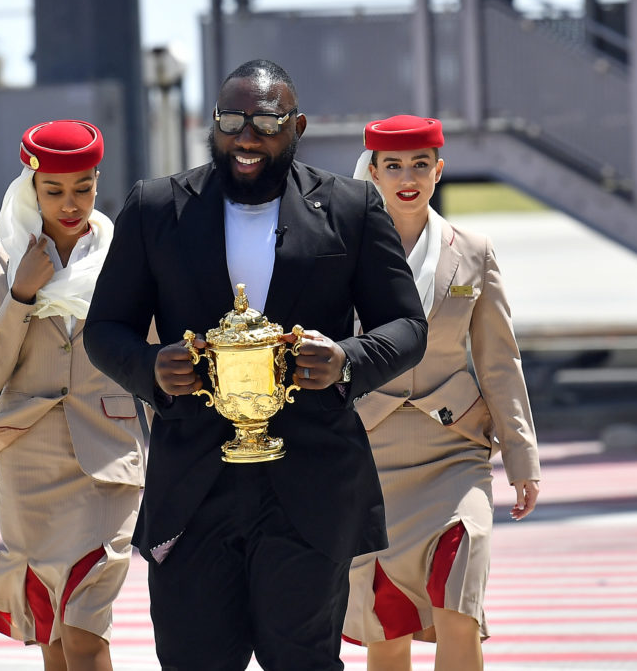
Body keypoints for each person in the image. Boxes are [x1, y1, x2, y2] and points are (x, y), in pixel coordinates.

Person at [83, 59, 428, 670]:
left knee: (301, 660)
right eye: (232, 120)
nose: (247, 137)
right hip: (192, 486)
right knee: (195, 660)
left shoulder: (351, 207)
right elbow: (106, 329)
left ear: (297, 125)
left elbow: (405, 326)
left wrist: (346, 360)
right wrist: (150, 369)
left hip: (311, 484)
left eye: (267, 121)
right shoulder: (156, 208)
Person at [341, 115, 541, 671]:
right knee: (387, 626)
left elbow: (500, 359)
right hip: (369, 458)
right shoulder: (340, 254)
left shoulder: (474, 250)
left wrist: (523, 457)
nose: (409, 177)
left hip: (457, 452)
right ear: (374, 172)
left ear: (439, 170)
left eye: (421, 165)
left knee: (460, 608)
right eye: (395, 166)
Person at [0, 119, 146, 671]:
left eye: (84, 188)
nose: (71, 203)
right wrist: (21, 293)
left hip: (109, 460)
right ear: (30, 188)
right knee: (55, 636)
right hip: (29, 464)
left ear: (97, 183)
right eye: (55, 191)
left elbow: (153, 360)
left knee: (86, 629)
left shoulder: (127, 260)